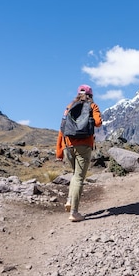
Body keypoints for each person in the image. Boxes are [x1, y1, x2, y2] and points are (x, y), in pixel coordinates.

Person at [55, 84, 102, 222]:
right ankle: (74, 213)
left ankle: (70, 200)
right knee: (79, 178)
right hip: (84, 145)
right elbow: (98, 123)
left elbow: (61, 129)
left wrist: (59, 152)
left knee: (75, 175)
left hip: (67, 145)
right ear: (91, 95)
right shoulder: (92, 105)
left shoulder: (69, 107)